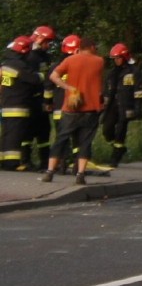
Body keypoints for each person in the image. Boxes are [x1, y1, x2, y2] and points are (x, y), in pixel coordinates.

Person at [41, 37, 105, 185]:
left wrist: (68, 88)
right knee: (85, 142)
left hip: (70, 107)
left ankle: (50, 171)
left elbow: (53, 76)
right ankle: (80, 174)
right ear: (92, 47)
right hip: (91, 109)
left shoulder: (70, 60)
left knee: (61, 139)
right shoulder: (99, 61)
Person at [0, 37, 42, 171]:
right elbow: (34, 80)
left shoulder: (5, 64)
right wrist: (42, 75)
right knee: (15, 135)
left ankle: (3, 160)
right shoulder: (19, 66)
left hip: (6, 104)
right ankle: (11, 163)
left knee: (7, 133)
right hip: (18, 105)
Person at [102, 43, 142, 167]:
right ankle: (119, 148)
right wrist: (103, 104)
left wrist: (138, 108)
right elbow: (106, 91)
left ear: (125, 57)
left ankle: (115, 158)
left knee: (121, 131)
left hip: (126, 106)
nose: (116, 61)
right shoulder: (112, 74)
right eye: (114, 59)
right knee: (107, 130)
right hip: (112, 106)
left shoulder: (134, 72)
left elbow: (139, 92)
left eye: (118, 58)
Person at [43, 34, 81, 173]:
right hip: (77, 109)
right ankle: (78, 165)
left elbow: (48, 88)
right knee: (78, 138)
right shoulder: (80, 67)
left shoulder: (55, 67)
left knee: (61, 137)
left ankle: (61, 165)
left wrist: (48, 103)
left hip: (59, 109)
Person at [22, 25, 56, 171]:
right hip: (30, 100)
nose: (48, 45)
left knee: (44, 132)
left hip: (42, 100)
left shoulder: (45, 57)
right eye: (46, 42)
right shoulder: (29, 57)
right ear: (39, 39)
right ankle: (25, 161)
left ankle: (44, 162)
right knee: (27, 132)